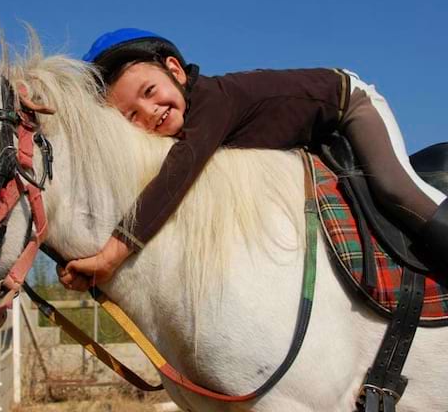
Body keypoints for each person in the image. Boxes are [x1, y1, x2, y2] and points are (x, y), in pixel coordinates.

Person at [58, 28, 448, 292]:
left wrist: (111, 255)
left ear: (175, 70)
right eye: (131, 116)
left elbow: (173, 179)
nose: (150, 111)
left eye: (149, 91)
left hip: (349, 106)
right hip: (306, 138)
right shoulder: (188, 125)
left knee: (394, 189)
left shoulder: (211, 103)